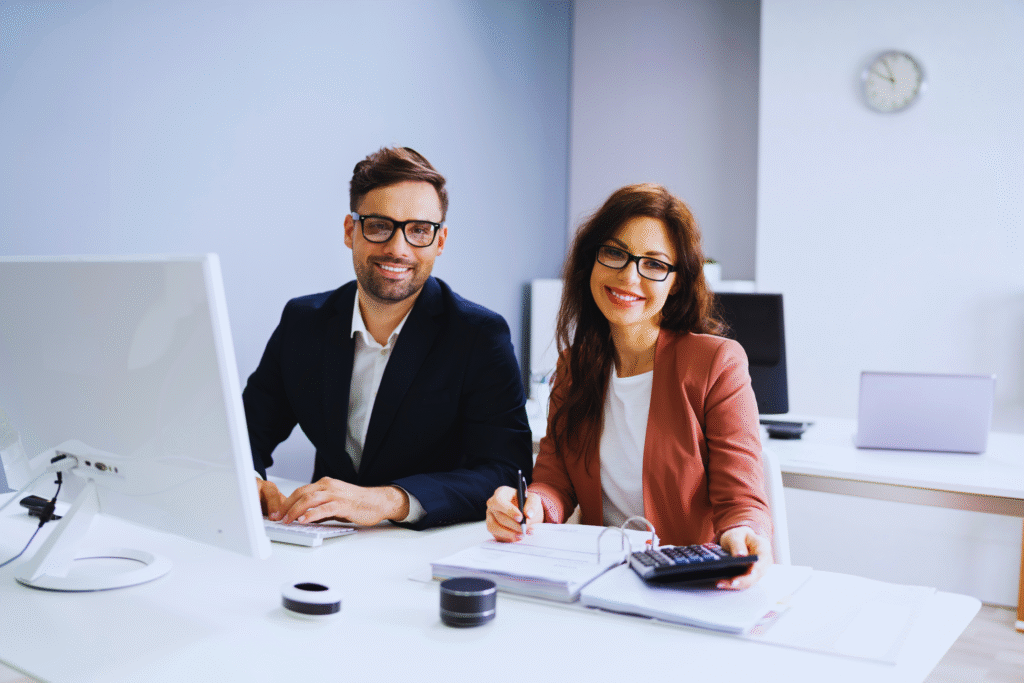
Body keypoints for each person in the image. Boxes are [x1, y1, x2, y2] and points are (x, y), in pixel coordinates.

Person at [485, 183, 772, 589]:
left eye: (654, 264)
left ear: (676, 281)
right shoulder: (574, 367)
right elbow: (554, 481)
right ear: (592, 261)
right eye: (615, 253)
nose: (628, 275)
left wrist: (745, 532)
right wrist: (528, 506)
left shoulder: (717, 363)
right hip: (604, 580)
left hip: (688, 585)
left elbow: (741, 498)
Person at [244, 146, 532, 530]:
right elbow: (242, 430)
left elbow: (506, 470)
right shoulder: (303, 322)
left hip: (427, 549)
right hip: (322, 540)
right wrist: (250, 481)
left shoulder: (479, 336)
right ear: (351, 231)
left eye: (419, 231)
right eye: (379, 225)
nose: (398, 248)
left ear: (440, 241)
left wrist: (389, 500)